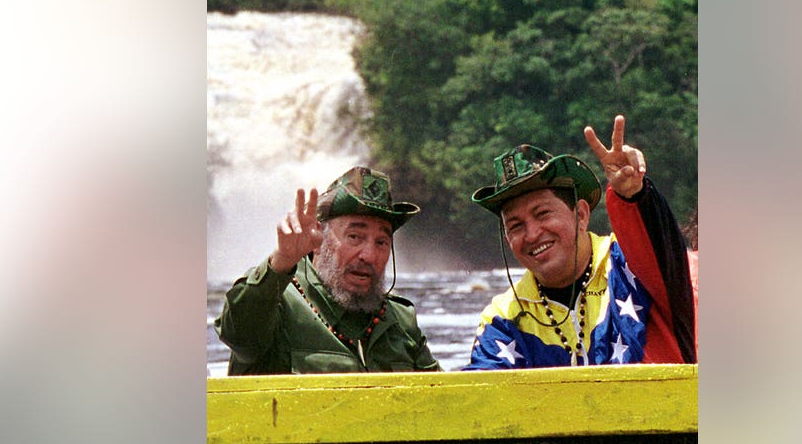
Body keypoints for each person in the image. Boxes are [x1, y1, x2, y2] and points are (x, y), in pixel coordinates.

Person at [464, 115, 696, 369]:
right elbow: (482, 387)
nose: (531, 235)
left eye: (542, 214)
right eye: (516, 226)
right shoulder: (502, 318)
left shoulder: (631, 265)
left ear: (582, 214)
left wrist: (632, 195)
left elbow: (662, 248)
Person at [216, 166, 441, 374]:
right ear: (319, 240)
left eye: (381, 242)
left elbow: (444, 398)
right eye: (355, 237)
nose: (369, 256)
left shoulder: (400, 321)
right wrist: (282, 261)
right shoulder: (276, 302)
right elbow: (238, 334)